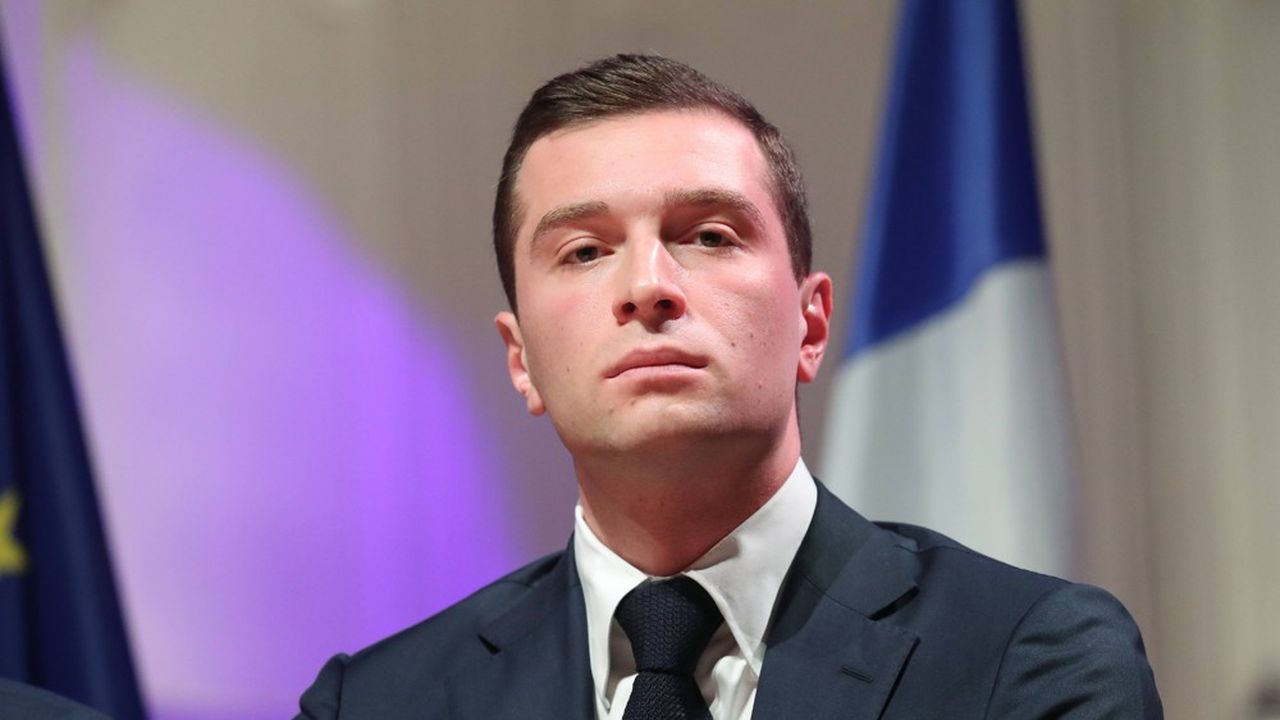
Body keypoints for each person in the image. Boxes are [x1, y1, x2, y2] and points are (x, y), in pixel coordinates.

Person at [296, 54, 1162, 719]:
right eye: (585, 251)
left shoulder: (1031, 659)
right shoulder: (376, 703)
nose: (647, 284)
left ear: (810, 325)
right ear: (521, 358)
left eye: (707, 234)